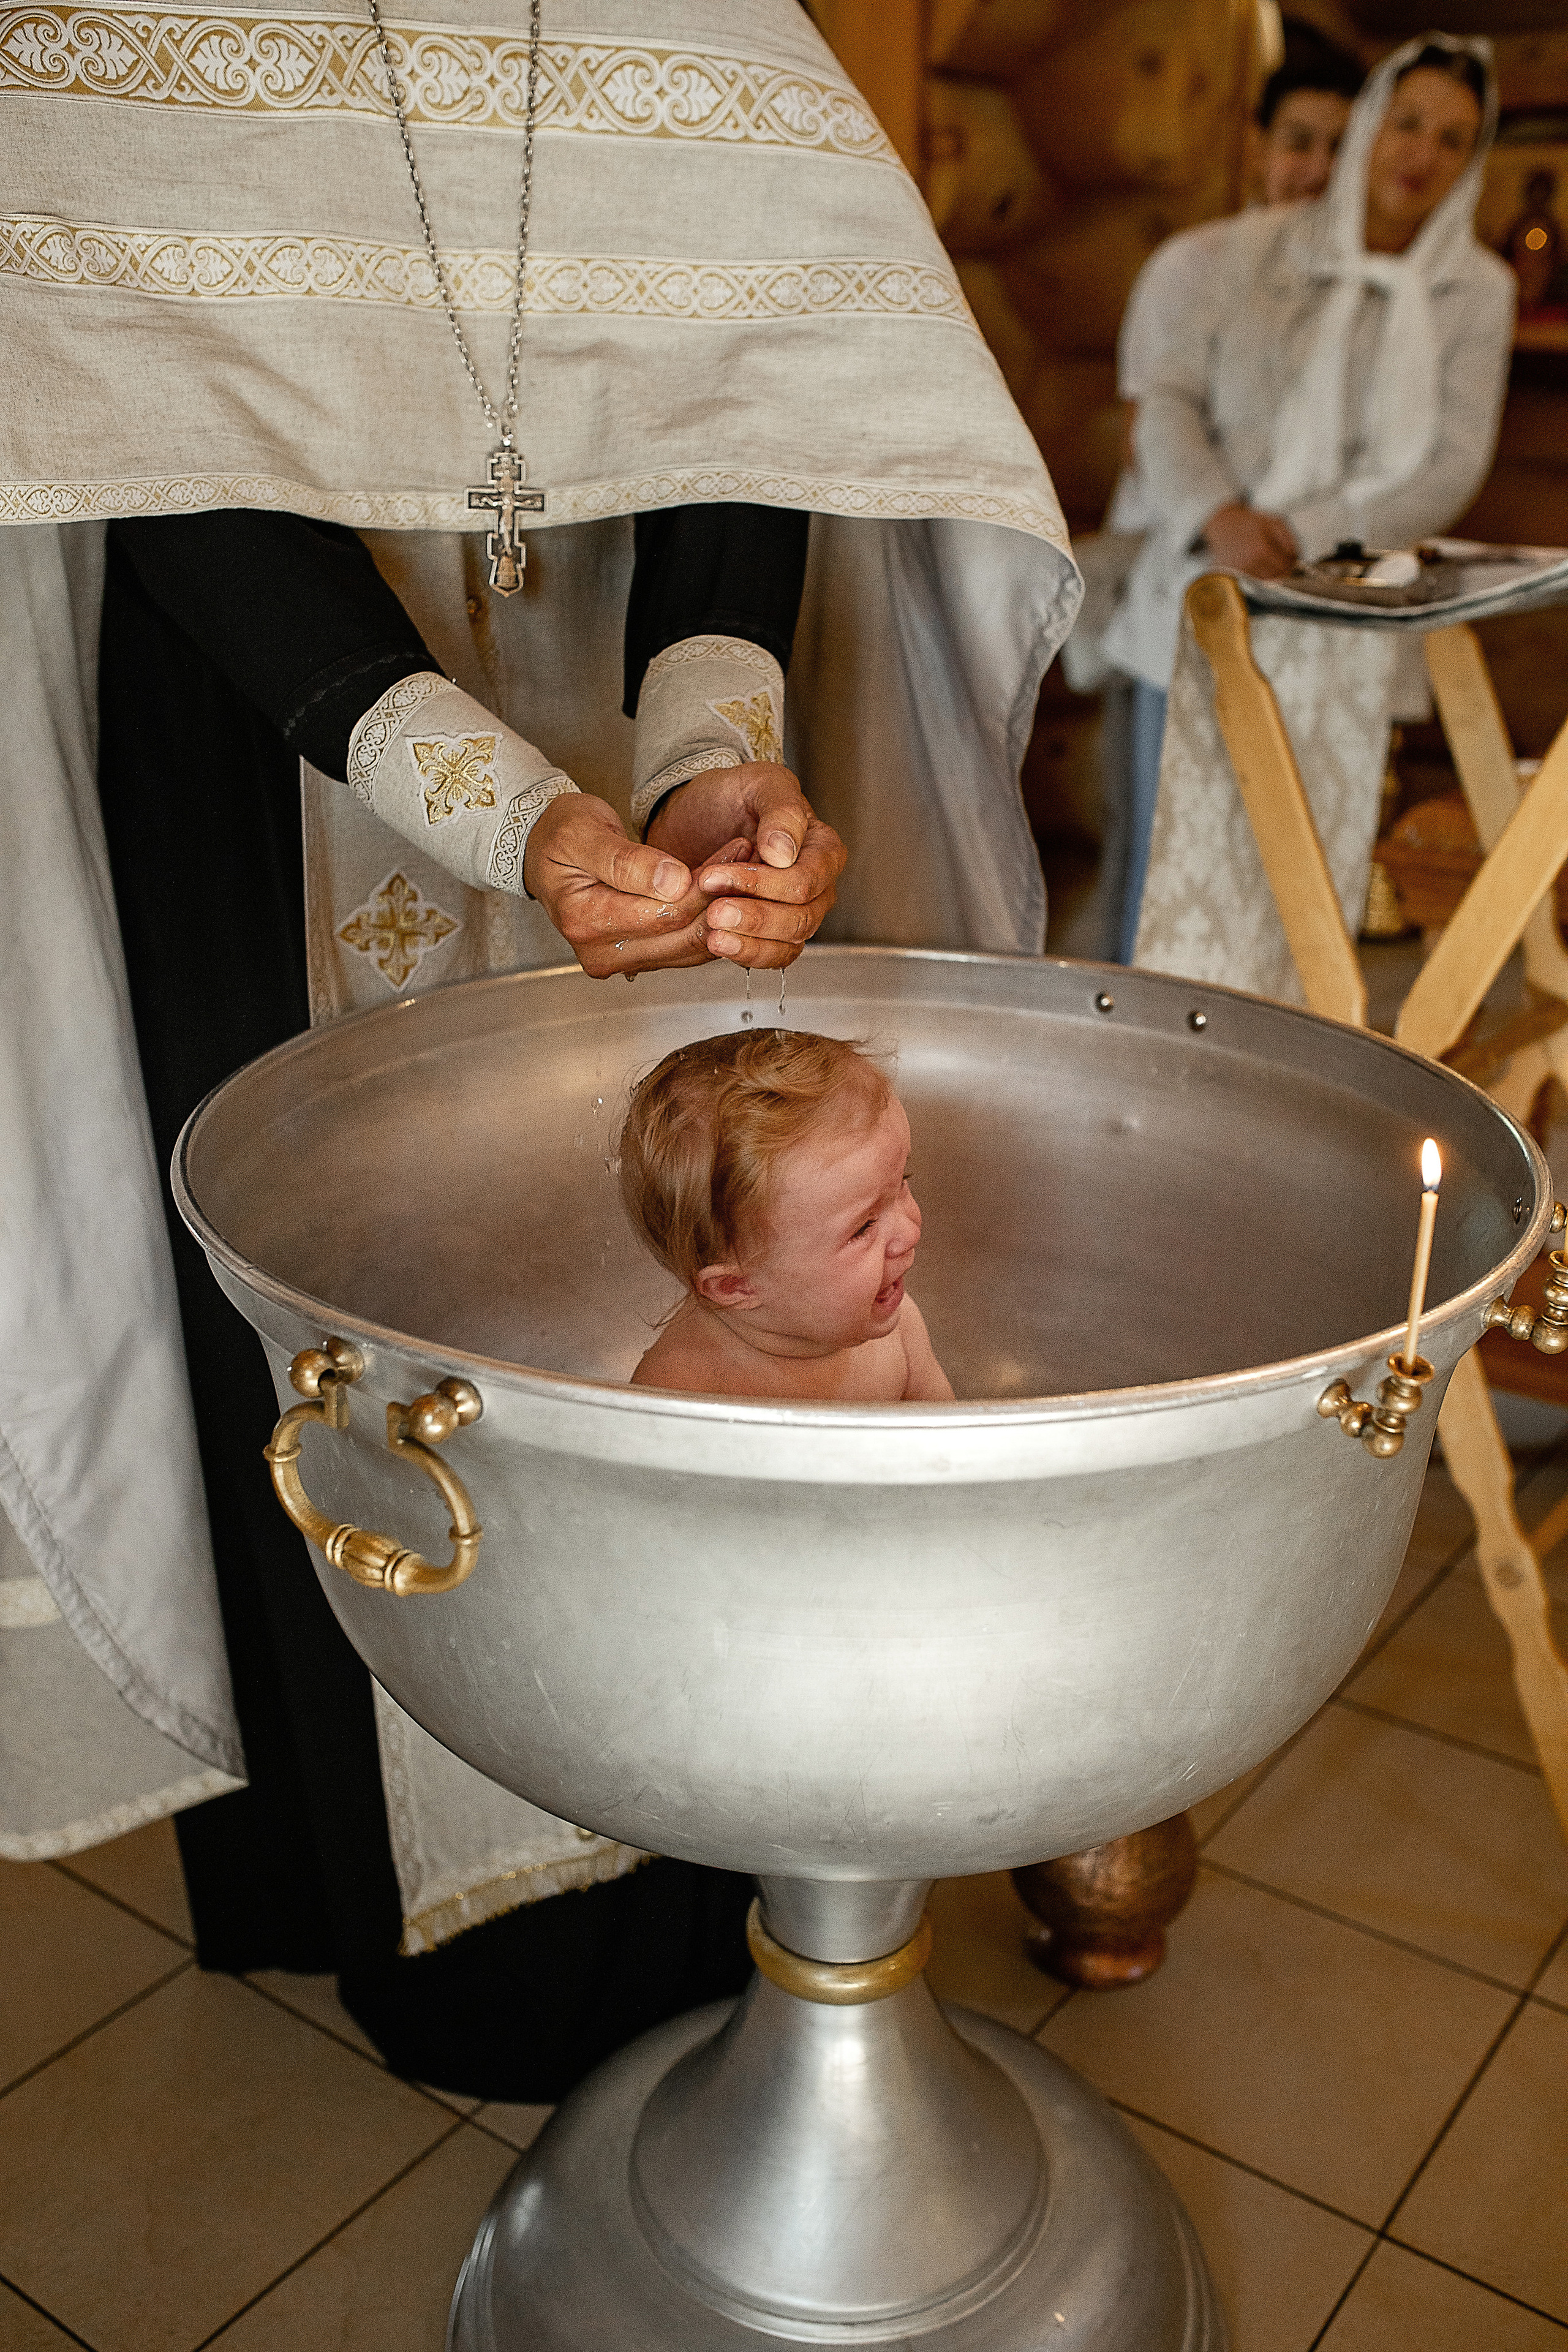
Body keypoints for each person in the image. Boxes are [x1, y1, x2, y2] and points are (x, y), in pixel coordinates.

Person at [0, 0, 1079, 2094]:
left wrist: (702, 762)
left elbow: (746, 391)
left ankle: (706, 1860)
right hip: (262, 746)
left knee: (694, 1242)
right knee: (332, 1276)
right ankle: (378, 1888)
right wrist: (506, 817)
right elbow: (143, 431)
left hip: (624, 654)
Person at [1103, 32, 1513, 962]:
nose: (1422, 155)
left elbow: (1451, 462)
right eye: (1407, 123)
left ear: (1475, 157)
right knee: (1165, 873)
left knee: (1299, 889)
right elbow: (1165, 400)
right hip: (1203, 589)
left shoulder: (1475, 292)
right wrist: (1221, 516)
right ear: (1372, 124)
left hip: (1343, 613)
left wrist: (1302, 531)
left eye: (1453, 139)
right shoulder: (1246, 252)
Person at [622, 1029, 954, 1403]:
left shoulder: (894, 1322)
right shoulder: (682, 1394)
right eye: (863, 1228)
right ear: (737, 1286)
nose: (909, 1234)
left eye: (901, 1183)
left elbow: (950, 1444)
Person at [1246, 23, 1364, 208]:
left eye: (1340, 148)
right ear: (1256, 149)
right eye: (1299, 144)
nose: (1320, 171)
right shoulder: (1208, 234)